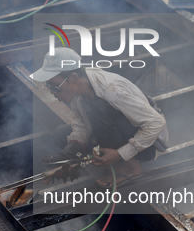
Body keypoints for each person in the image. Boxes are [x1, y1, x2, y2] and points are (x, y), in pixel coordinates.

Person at [31, 47, 168, 189]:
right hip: (118, 133)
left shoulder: (112, 91)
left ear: (74, 78)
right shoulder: (80, 89)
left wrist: (120, 154)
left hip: (149, 145)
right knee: (61, 133)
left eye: (55, 86)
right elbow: (80, 122)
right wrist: (71, 151)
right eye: (48, 86)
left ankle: (129, 167)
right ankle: (110, 157)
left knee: (102, 109)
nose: (53, 91)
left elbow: (156, 122)